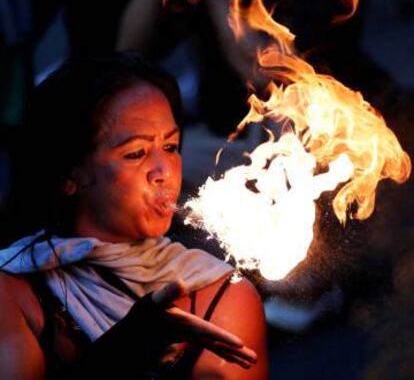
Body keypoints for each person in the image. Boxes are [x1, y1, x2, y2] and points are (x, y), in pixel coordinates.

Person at [0, 52, 268, 379]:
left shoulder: (221, 293)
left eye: (170, 147)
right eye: (136, 153)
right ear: (69, 176)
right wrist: (119, 355)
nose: (164, 172)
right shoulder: (14, 288)